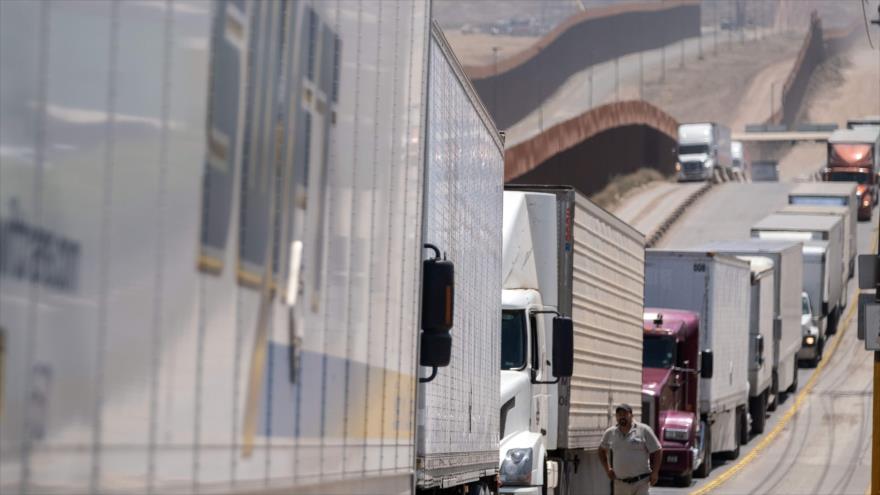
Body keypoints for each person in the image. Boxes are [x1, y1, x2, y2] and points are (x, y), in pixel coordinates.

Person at [598, 404, 662, 495]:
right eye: (619, 415)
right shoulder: (610, 432)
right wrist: (607, 469)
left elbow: (658, 450)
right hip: (620, 483)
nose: (622, 417)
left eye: (625, 414)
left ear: (631, 415)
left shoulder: (644, 430)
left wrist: (655, 472)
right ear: (616, 417)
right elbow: (601, 450)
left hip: (641, 482)